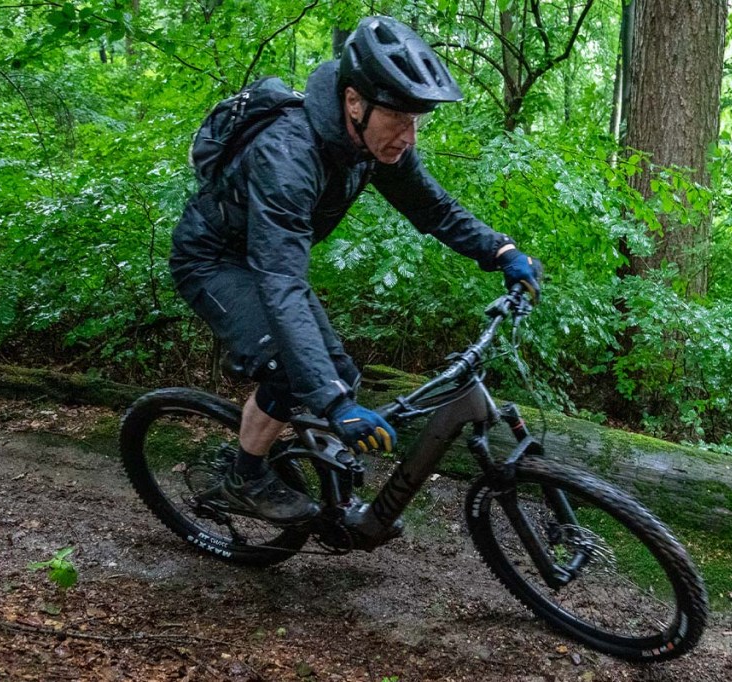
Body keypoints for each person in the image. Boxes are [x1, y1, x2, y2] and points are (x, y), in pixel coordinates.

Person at [169, 16, 541, 524]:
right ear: (354, 103)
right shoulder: (289, 155)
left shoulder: (372, 144)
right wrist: (331, 402)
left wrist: (500, 251)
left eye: (418, 121)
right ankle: (244, 478)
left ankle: (324, 485)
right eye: (400, 119)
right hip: (214, 262)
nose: (409, 136)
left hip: (268, 260)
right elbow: (282, 284)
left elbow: (433, 209)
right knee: (293, 374)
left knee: (338, 374)